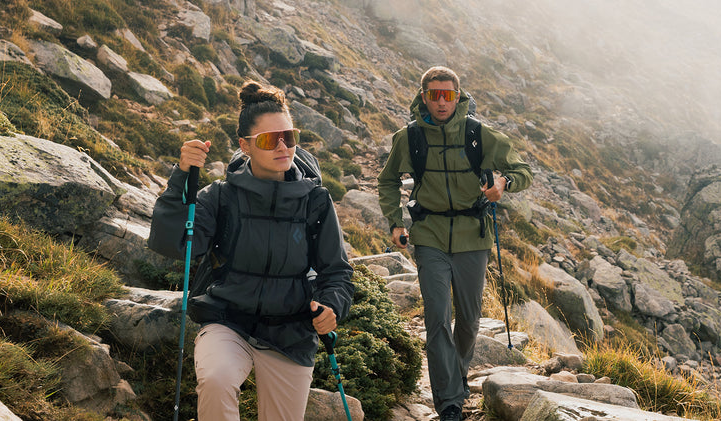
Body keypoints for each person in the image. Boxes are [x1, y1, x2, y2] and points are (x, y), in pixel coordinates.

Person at [149, 82, 354, 421]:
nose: (283, 146)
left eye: (289, 136)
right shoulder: (221, 196)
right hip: (227, 321)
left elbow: (337, 271)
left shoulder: (316, 201)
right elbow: (175, 244)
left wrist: (332, 306)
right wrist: (181, 176)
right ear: (245, 146)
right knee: (216, 380)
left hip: (292, 333)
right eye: (269, 140)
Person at [377, 66, 531, 421]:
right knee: (436, 317)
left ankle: (457, 376)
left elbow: (524, 170)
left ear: (458, 96)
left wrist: (504, 183)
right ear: (423, 96)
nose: (442, 102)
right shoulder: (409, 138)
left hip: (471, 235)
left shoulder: (479, 135)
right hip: (428, 234)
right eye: (434, 95)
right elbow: (387, 181)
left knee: (470, 319)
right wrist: (395, 222)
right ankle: (449, 403)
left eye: (448, 94)